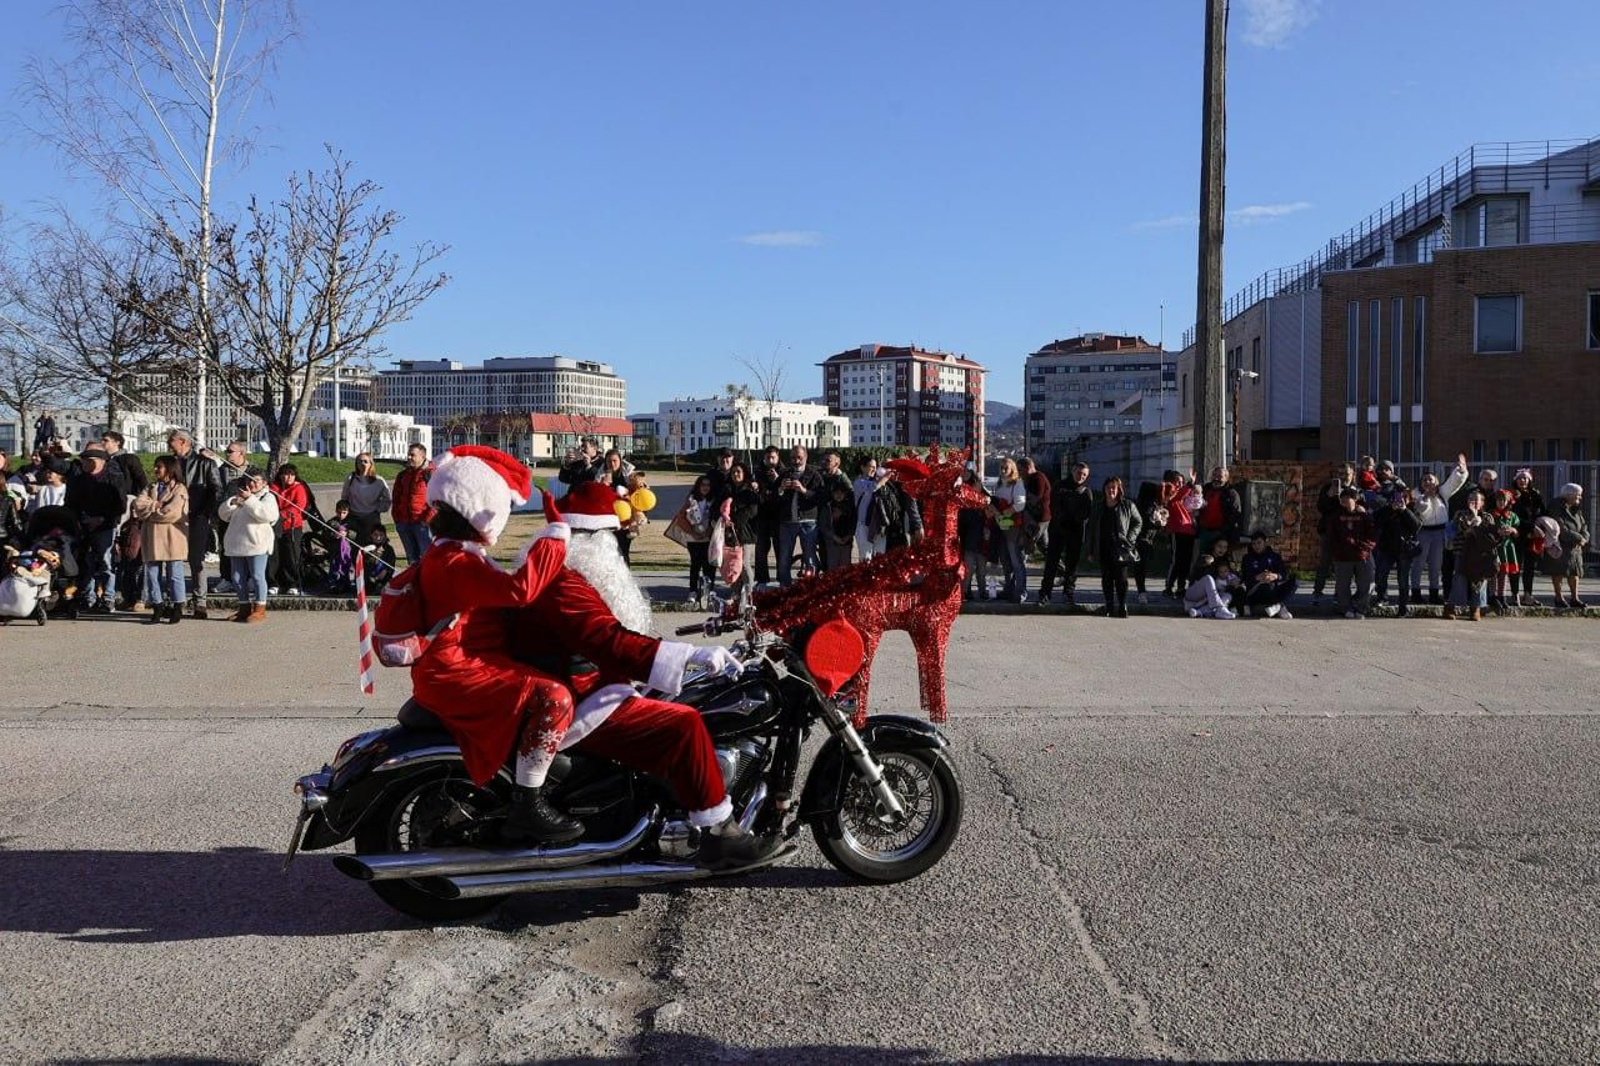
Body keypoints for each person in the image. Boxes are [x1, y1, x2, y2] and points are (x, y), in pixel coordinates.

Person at [507, 479, 775, 867]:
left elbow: (611, 636)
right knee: (683, 725)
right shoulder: (563, 581)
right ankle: (720, 833)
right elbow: (608, 641)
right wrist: (687, 657)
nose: (614, 547)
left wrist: (666, 652)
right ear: (590, 537)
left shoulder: (567, 572)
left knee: (678, 698)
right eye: (610, 536)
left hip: (587, 683)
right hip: (581, 697)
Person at [409, 445, 580, 844]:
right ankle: (528, 804)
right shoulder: (458, 562)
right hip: (458, 669)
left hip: (461, 661)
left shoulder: (452, 554)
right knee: (555, 698)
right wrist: (555, 536)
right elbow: (520, 590)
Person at [166, 429, 223, 618]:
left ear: (183, 442)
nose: (168, 442)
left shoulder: (205, 463)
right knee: (172, 558)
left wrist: (205, 513)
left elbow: (216, 489)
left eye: (171, 439)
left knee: (196, 559)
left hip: (197, 516)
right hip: (174, 517)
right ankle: (175, 600)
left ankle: (200, 601)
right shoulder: (169, 463)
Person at [66, 446, 128, 613]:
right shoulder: (80, 480)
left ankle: (108, 597)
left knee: (106, 562)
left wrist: (102, 519)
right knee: (86, 562)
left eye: (87, 461)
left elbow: (120, 504)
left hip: (105, 525)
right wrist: (80, 520)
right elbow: (71, 503)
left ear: (98, 462)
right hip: (84, 525)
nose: (83, 464)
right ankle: (88, 598)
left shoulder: (114, 478)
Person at [129, 455, 189, 625]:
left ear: (170, 469)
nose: (155, 470)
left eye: (159, 467)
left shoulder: (180, 489)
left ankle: (177, 606)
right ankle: (157, 606)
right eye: (155, 466)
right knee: (152, 574)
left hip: (172, 537)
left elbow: (172, 513)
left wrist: (150, 512)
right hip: (152, 537)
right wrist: (154, 506)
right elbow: (138, 505)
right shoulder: (151, 487)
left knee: (174, 574)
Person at [217, 468, 279, 623]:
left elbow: (268, 516)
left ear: (264, 483)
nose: (252, 483)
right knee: (237, 578)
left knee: (257, 575)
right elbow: (223, 515)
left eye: (256, 480)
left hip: (257, 543)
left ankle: (260, 608)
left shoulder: (268, 497)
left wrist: (250, 500)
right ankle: (244, 607)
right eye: (249, 480)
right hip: (237, 543)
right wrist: (232, 503)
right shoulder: (240, 495)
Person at [1410, 457, 1467, 606]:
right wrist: (1426, 498)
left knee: (1436, 564)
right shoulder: (1417, 495)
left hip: (1440, 532)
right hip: (1423, 532)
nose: (1428, 482)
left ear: (1436, 482)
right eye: (1425, 480)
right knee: (1419, 563)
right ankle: (1415, 592)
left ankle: (1434, 593)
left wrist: (1460, 469)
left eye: (1431, 480)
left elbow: (1454, 482)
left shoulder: (1442, 493)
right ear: (1421, 484)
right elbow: (1423, 511)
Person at [1086, 475, 1142, 618]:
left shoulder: (1127, 505)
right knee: (1106, 577)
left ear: (1119, 489)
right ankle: (1109, 605)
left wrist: (1130, 538)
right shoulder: (1098, 506)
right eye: (1108, 487)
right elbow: (1091, 529)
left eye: (1114, 487)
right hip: (1103, 547)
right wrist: (1091, 550)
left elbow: (1138, 522)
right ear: (1104, 489)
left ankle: (1122, 605)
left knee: (1121, 578)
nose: (1111, 490)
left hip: (1121, 548)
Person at [1038, 461, 1091, 606]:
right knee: (1051, 564)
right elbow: (1054, 506)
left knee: (1072, 566)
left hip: (1075, 532)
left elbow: (1086, 512)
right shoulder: (1060, 486)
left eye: (1084, 474)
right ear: (1073, 471)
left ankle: (1068, 594)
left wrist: (1074, 518)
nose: (1081, 476)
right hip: (1058, 530)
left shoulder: (1086, 491)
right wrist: (1067, 517)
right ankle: (1045, 594)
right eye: (1079, 473)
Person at [1445, 489, 1501, 622]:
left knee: (1480, 581)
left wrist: (1476, 521)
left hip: (1481, 554)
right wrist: (1472, 521)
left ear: (1482, 503)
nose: (1474, 502)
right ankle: (1450, 607)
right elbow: (1463, 530)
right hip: (1462, 551)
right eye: (1471, 499)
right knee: (1460, 578)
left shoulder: (1488, 516)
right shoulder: (1460, 514)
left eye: (1477, 500)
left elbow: (1488, 532)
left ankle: (1475, 608)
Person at [1444, 465, 1499, 594]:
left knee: (1482, 574)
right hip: (1462, 546)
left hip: (1482, 547)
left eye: (1492, 480)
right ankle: (1453, 600)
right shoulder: (1467, 492)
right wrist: (1472, 517)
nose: (1489, 482)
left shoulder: (1494, 499)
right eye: (1486, 479)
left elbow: (1490, 530)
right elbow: (1462, 527)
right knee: (1458, 572)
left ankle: (1478, 605)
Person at [775, 445, 823, 586]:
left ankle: (810, 586)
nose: (796, 461)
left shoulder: (814, 474)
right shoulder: (784, 474)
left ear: (806, 457)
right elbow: (774, 498)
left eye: (799, 458)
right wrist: (781, 489)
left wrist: (803, 490)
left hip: (808, 521)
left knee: (809, 557)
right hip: (787, 522)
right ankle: (785, 587)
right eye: (793, 458)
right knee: (784, 557)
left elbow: (820, 497)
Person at [1327, 487, 1377, 619]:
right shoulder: (1336, 516)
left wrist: (1364, 547)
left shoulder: (1364, 515)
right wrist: (1338, 549)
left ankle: (1361, 607)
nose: (1343, 502)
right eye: (1341, 500)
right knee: (1342, 585)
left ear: (1355, 499)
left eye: (1346, 499)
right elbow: (1331, 536)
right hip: (1343, 557)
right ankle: (1345, 608)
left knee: (1366, 584)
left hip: (1363, 555)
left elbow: (1372, 534)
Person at [1311, 465, 1356, 605]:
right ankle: (1317, 592)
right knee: (1325, 562)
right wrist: (1329, 496)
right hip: (1329, 531)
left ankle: (1339, 593)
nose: (1343, 476)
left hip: (1347, 531)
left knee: (1343, 564)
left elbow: (1358, 510)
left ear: (1352, 474)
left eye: (1346, 473)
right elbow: (1321, 508)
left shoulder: (1355, 490)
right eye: (1340, 473)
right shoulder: (1328, 488)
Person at [1373, 489, 1422, 617]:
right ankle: (1382, 597)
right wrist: (1391, 509)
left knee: (1403, 580)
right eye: (1397, 499)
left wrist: (1405, 510)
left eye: (1403, 499)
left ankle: (1403, 607)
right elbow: (1377, 522)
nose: (1400, 502)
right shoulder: (1387, 510)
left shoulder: (1412, 510)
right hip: (1387, 549)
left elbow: (1416, 525)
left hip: (1404, 550)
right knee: (1381, 574)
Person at [1543, 483, 1590, 612]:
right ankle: (1559, 598)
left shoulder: (1576, 508)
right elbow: (1560, 527)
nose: (1579, 498)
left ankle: (1575, 598)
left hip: (1575, 547)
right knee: (1558, 572)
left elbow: (1584, 525)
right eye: (1577, 496)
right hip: (1560, 545)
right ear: (1569, 495)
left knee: (1575, 573)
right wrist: (1578, 537)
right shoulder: (1556, 507)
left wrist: (1584, 537)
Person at [268, 464, 310, 596]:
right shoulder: (273, 488)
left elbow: (299, 506)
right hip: (274, 525)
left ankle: (293, 583)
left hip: (292, 525)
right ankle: (274, 583)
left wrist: (282, 514)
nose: (289, 477)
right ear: (280, 475)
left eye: (292, 474)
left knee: (291, 555)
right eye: (286, 474)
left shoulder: (299, 488)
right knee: (274, 555)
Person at [989, 458, 1027, 603]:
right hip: (1001, 527)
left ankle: (1021, 592)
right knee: (1005, 561)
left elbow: (1020, 504)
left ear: (1013, 469)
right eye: (1001, 468)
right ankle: (1008, 590)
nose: (1003, 470)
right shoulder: (999, 484)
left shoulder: (1017, 483)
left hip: (1013, 528)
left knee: (1016, 560)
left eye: (1006, 468)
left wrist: (1005, 512)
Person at [390, 443, 435, 565]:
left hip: (422, 525)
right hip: (404, 524)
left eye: (412, 455)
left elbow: (438, 501)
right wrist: (397, 519)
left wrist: (427, 519)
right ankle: (414, 583)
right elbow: (396, 498)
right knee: (412, 560)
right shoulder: (403, 475)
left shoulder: (430, 474)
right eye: (408, 454)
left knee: (427, 560)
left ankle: (427, 583)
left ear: (422, 456)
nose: (409, 457)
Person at [677, 474, 717, 608]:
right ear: (698, 486)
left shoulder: (714, 501)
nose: (705, 488)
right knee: (695, 565)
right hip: (693, 539)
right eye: (702, 485)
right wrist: (692, 532)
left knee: (709, 566)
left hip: (709, 538)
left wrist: (708, 532)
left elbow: (717, 520)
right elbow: (681, 518)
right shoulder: (691, 500)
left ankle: (709, 591)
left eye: (708, 485)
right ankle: (693, 591)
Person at [725, 462, 761, 606]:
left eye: (738, 472)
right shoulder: (728, 490)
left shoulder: (750, 491)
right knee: (734, 565)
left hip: (747, 533)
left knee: (744, 564)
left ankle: (749, 594)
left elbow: (752, 511)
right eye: (733, 472)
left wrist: (734, 520)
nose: (735, 475)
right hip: (732, 534)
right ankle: (735, 593)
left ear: (744, 474)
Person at [1160, 469, 1200, 599]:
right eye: (1178, 482)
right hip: (1177, 530)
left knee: (1186, 561)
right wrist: (1190, 484)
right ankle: (1169, 586)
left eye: (1182, 482)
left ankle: (1181, 587)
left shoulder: (1185, 495)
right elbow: (1175, 497)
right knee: (1177, 560)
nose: (1180, 484)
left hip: (1188, 530)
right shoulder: (1169, 492)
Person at [1509, 469, 1546, 607]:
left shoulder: (1536, 495)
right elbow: (1514, 516)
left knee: (1530, 567)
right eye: (1520, 478)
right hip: (1518, 535)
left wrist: (1542, 527)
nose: (1522, 480)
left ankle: (1528, 595)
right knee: (1515, 566)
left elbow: (1543, 513)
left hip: (1533, 536)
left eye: (1525, 478)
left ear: (1529, 480)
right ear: (1515, 480)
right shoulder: (1512, 495)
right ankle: (1514, 595)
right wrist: (1531, 527)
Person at [1240, 531, 1296, 619]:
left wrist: (1275, 576)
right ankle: (1280, 606)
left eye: (1259, 543)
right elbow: (1244, 579)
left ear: (1265, 542)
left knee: (1295, 582)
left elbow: (1284, 574)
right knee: (1264, 586)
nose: (1256, 546)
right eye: (1253, 544)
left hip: (1273, 588)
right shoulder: (1247, 558)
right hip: (1256, 591)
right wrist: (1257, 577)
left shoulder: (1274, 556)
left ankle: (1276, 606)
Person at [340, 453, 391, 545]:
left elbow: (387, 500)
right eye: (359, 461)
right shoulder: (350, 478)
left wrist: (378, 510)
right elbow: (344, 497)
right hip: (354, 517)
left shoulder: (379, 481)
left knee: (371, 544)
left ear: (371, 464)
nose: (362, 464)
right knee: (354, 543)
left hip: (371, 518)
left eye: (365, 461)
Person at [815, 451, 852, 572]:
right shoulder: (822, 476)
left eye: (828, 460)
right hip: (824, 521)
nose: (824, 463)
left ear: (837, 463)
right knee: (824, 555)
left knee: (839, 560)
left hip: (838, 527)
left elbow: (851, 500)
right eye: (824, 460)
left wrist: (841, 511)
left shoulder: (842, 479)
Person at [957, 467, 991, 600]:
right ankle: (967, 590)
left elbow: (988, 499)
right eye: (963, 472)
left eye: (967, 471)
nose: (964, 474)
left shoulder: (977, 485)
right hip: (963, 527)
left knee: (977, 563)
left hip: (976, 525)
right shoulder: (959, 485)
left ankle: (981, 591)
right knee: (967, 564)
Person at [752, 446, 783, 586]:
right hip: (762, 515)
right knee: (761, 549)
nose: (771, 461)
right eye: (768, 458)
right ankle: (762, 579)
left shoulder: (784, 471)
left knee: (780, 549)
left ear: (778, 457)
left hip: (779, 515)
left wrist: (777, 479)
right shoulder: (758, 471)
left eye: (773, 458)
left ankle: (782, 578)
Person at [852, 456, 894, 561]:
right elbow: (874, 487)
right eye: (871, 467)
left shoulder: (879, 482)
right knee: (866, 558)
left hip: (879, 525)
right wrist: (886, 476)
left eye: (876, 467)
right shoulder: (858, 483)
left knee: (879, 558)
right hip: (864, 525)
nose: (874, 470)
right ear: (862, 467)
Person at [1196, 466, 1241, 556]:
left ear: (1226, 478)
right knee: (1203, 559)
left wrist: (1223, 531)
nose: (1216, 478)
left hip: (1221, 534)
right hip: (1204, 531)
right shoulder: (1205, 489)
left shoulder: (1231, 493)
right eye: (1214, 475)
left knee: (1220, 561)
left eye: (1220, 476)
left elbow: (1235, 514)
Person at [1183, 555, 1239, 619]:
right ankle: (1220, 609)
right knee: (1208, 578)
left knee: (1227, 595)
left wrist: (1235, 582)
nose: (1210, 566)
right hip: (1193, 595)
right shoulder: (1204, 569)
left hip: (1204, 602)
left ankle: (1199, 612)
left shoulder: (1222, 572)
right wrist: (1228, 582)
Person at [364, 525, 398, 593]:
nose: (378, 537)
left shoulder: (389, 549)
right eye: (375, 535)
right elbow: (365, 564)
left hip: (384, 577)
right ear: (371, 535)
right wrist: (373, 556)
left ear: (385, 536)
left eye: (381, 535)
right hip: (370, 578)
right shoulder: (367, 548)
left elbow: (391, 564)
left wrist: (385, 571)